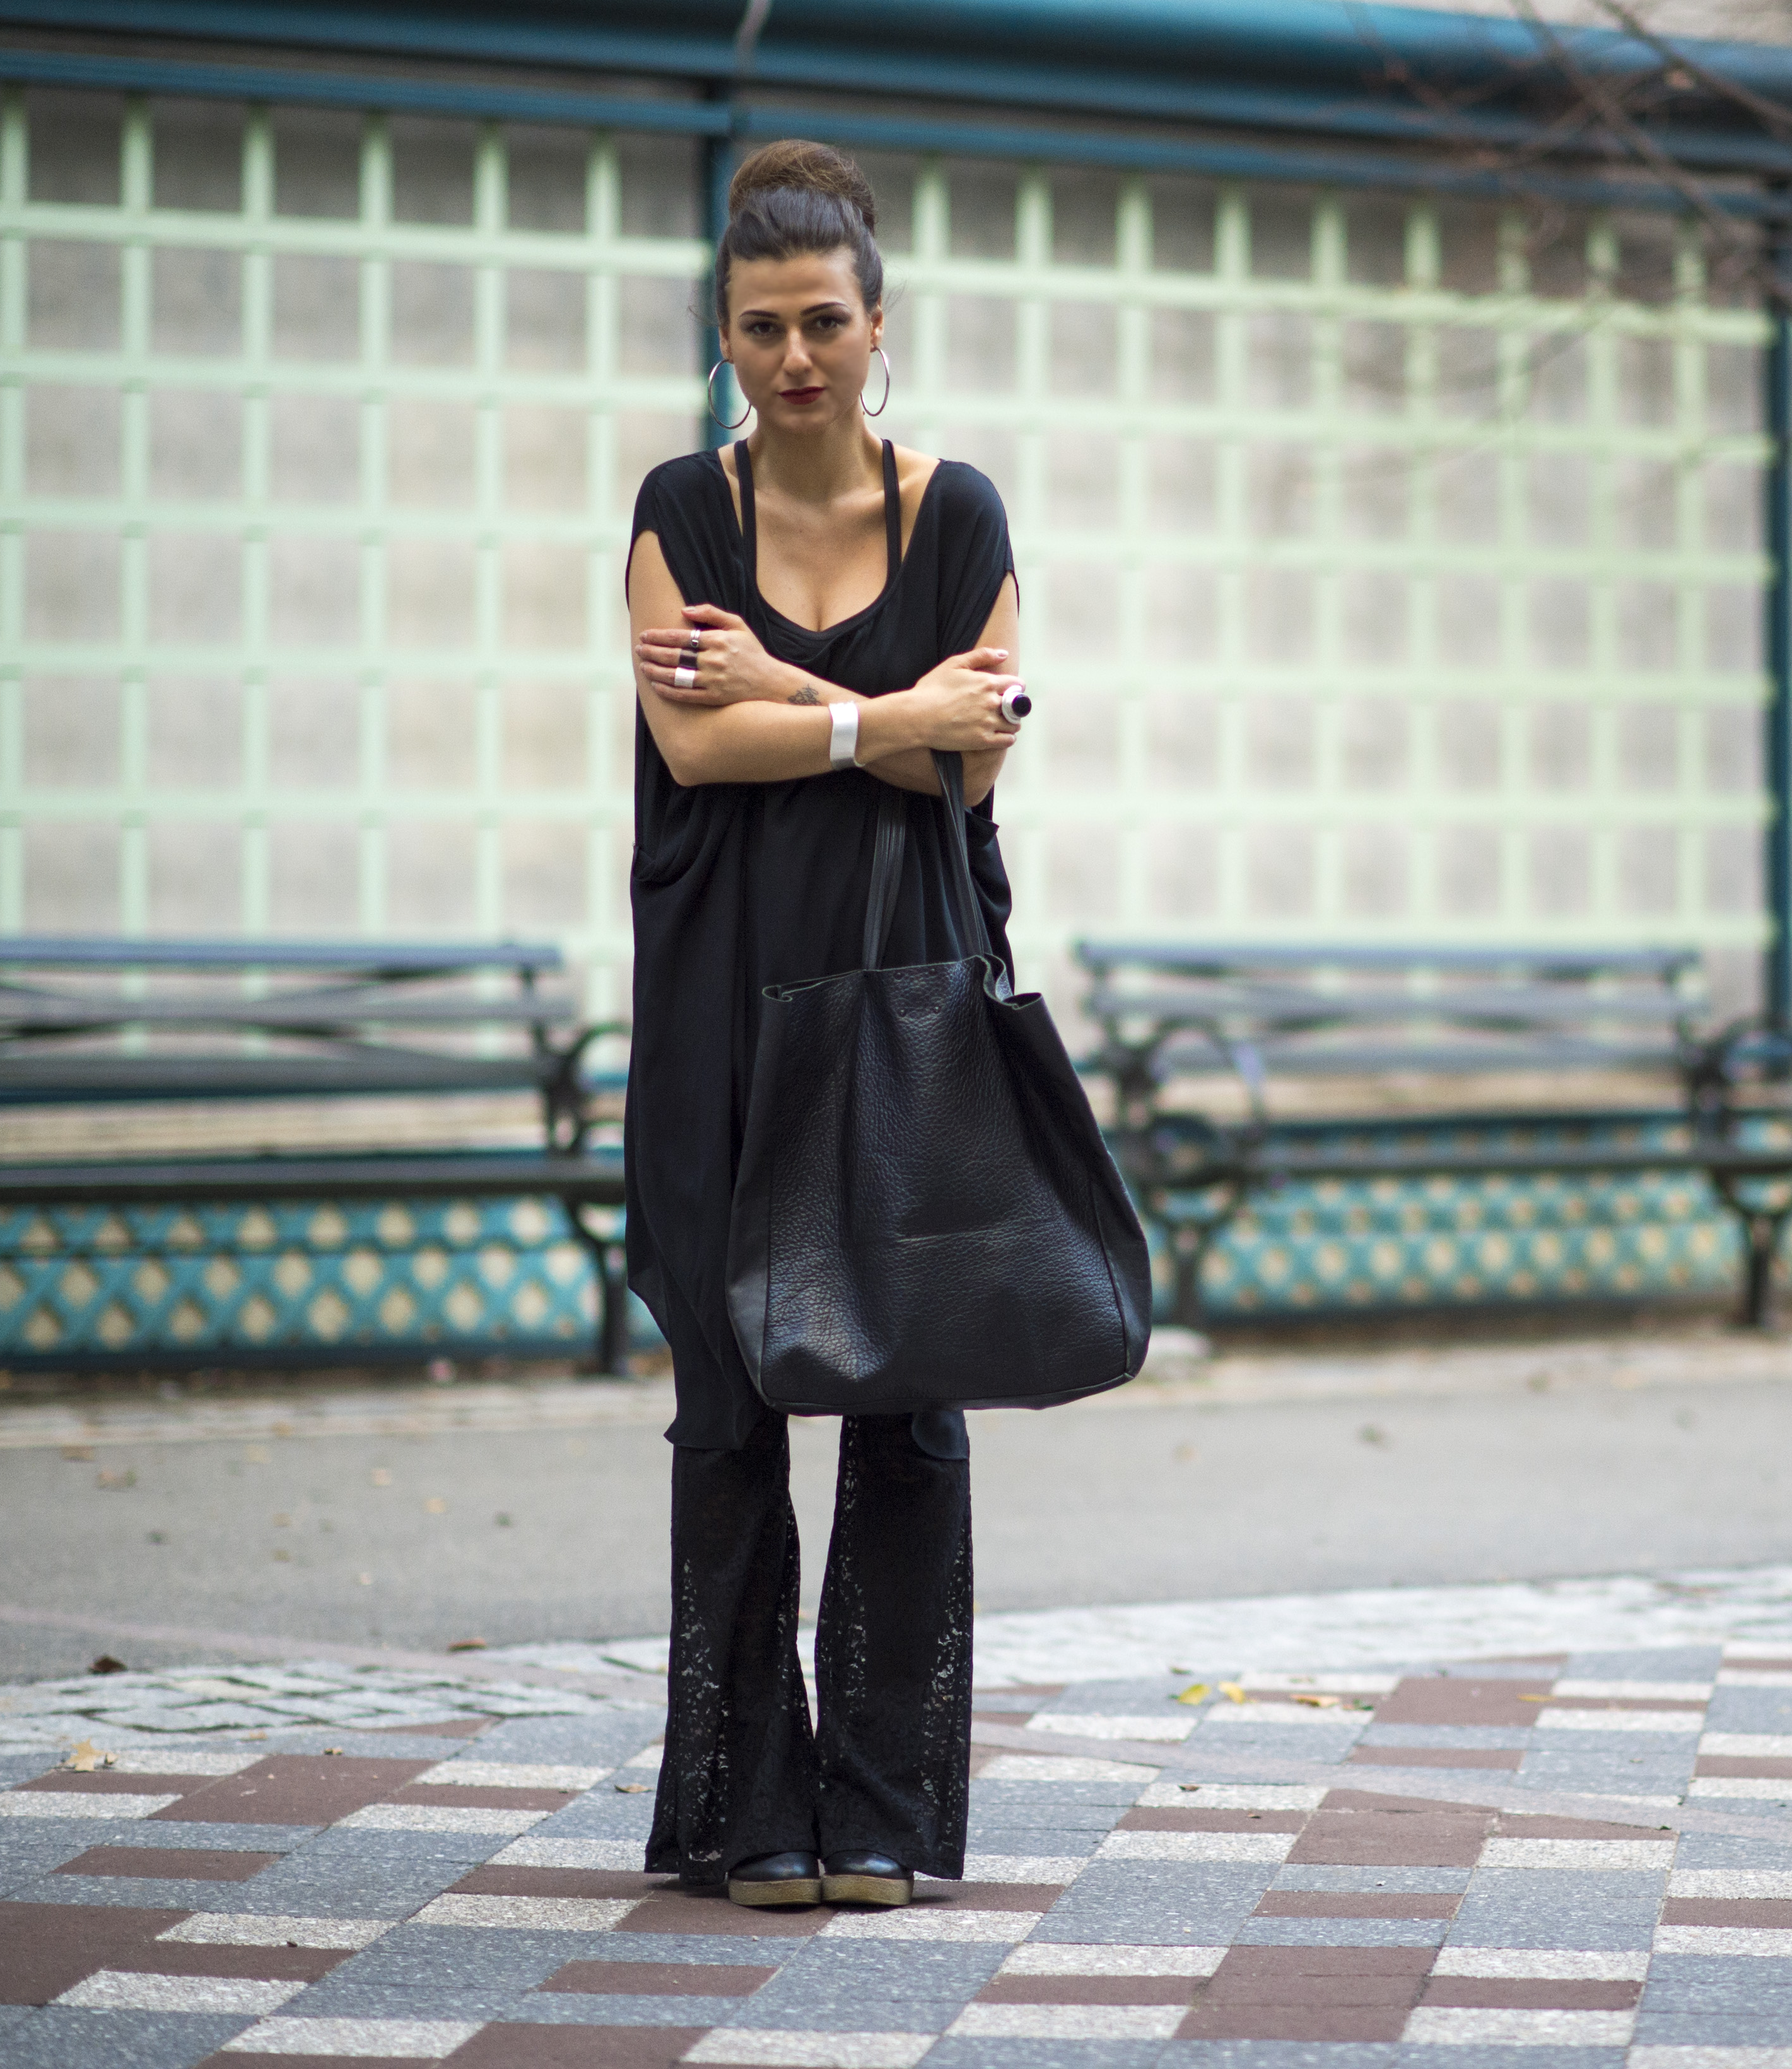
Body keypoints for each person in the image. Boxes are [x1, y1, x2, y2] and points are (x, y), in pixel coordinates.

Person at [620, 140, 1026, 1912]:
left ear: (882, 326)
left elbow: (990, 745)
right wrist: (878, 718)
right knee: (729, 1396)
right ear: (726, 338)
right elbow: (699, 748)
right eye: (760, 329)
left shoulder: (965, 516)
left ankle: (878, 1803)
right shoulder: (673, 508)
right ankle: (742, 1807)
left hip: (905, 999)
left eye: (824, 325)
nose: (795, 357)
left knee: (907, 1387)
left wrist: (792, 687)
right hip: (718, 998)